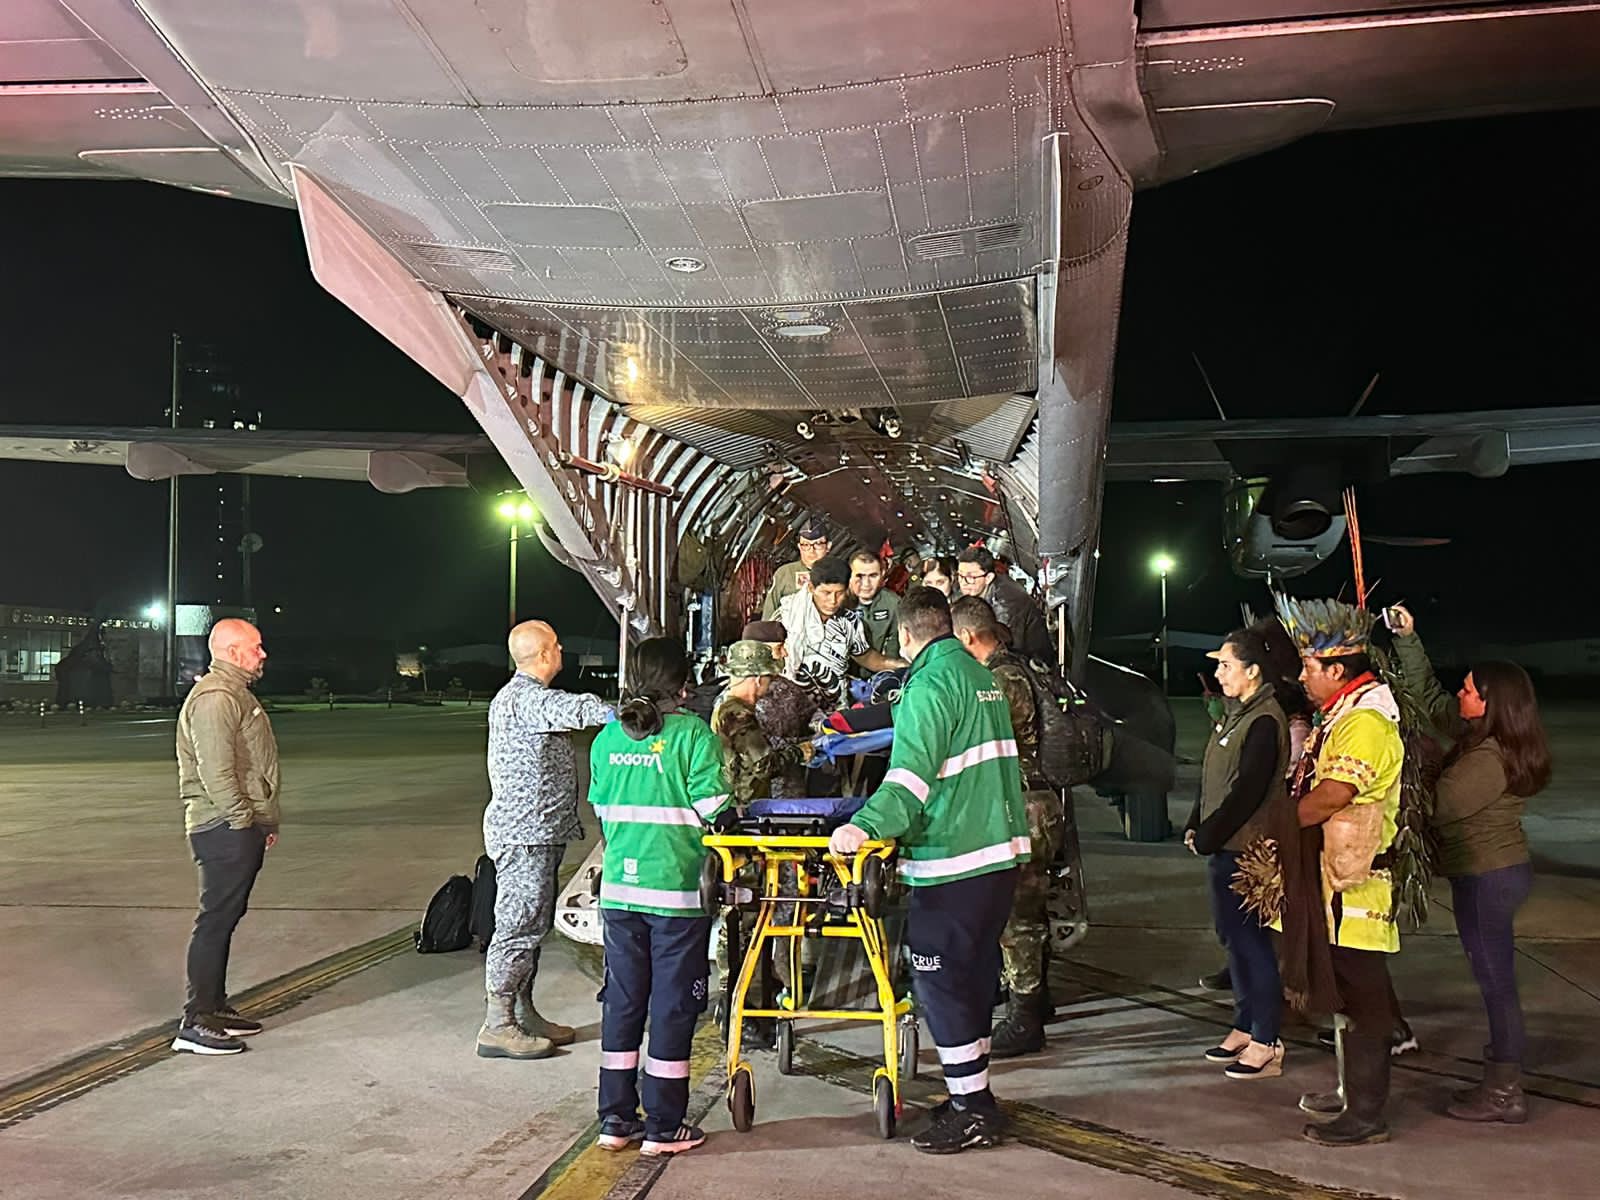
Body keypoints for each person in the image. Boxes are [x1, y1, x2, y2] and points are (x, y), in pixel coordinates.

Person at [830, 588, 1030, 1154]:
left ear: (905, 637)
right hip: (997, 853)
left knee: (939, 980)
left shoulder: (927, 684)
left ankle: (973, 1109)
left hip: (955, 858)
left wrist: (862, 827)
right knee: (969, 980)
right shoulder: (978, 674)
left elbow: (910, 780)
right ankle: (973, 1092)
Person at [1390, 605, 1550, 1123]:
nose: (1459, 694)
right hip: (1489, 873)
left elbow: (1436, 806)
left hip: (1489, 878)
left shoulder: (1488, 758)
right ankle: (1503, 1083)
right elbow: (1432, 699)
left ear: (1490, 703)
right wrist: (1409, 640)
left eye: (1468, 690)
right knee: (1494, 979)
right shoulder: (1478, 736)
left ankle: (1504, 1091)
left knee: (1495, 983)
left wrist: (1410, 760)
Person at [591, 638, 732, 1157]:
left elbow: (604, 818)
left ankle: (615, 1119)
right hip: (675, 896)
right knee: (673, 1006)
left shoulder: (606, 739)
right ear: (682, 683)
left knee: (624, 1002)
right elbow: (717, 811)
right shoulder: (693, 735)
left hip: (620, 895)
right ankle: (665, 1125)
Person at [1274, 594, 1405, 1147]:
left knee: (1364, 998)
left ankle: (1368, 1114)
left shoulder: (1366, 722)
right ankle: (1354, 1094)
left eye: (1309, 666)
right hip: (1336, 881)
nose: (1303, 676)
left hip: (1357, 886)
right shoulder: (1344, 713)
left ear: (1336, 669)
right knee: (1348, 995)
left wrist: (1271, 823)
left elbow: (1331, 796)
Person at [477, 620, 611, 1060]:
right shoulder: (527, 698)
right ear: (543, 655)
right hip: (524, 835)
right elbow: (574, 711)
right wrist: (618, 711)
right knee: (518, 927)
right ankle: (498, 1024)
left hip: (537, 832)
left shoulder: (521, 698)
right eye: (556, 645)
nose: (561, 651)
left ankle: (522, 1011)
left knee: (531, 927)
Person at [950, 596, 1065, 1058]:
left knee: (1017, 914)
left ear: (966, 637)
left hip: (1024, 806)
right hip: (1030, 801)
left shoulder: (1000, 678)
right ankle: (1037, 1000)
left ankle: (1024, 1019)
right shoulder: (1015, 668)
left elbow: (986, 737)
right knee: (1029, 907)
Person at [1184, 628, 1290, 1080]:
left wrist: (1210, 834)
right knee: (1233, 940)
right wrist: (1196, 822)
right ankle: (1244, 1024)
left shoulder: (1264, 720)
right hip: (1224, 846)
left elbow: (1247, 792)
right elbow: (1215, 779)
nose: (1218, 672)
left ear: (1252, 671)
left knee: (1252, 943)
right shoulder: (1235, 714)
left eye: (1226, 665)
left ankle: (1268, 1039)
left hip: (1247, 852)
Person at [171, 618, 278, 1055]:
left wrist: (264, 821)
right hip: (221, 826)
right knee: (214, 921)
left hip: (238, 824)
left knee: (225, 917)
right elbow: (216, 771)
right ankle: (196, 1021)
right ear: (232, 651)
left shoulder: (235, 693)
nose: (262, 653)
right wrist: (241, 820)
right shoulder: (216, 698)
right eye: (255, 646)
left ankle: (214, 1007)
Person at [778, 555, 905, 703]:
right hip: (794, 704)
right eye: (826, 593)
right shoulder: (786, 616)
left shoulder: (849, 622)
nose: (832, 601)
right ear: (811, 588)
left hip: (835, 707)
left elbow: (866, 656)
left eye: (839, 593)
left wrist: (902, 665)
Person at [711, 640, 812, 804]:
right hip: (746, 804)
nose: (770, 684)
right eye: (769, 679)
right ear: (758, 679)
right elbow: (764, 766)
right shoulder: (739, 715)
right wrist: (801, 752)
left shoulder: (724, 706)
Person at [955, 547, 1051, 661]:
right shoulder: (973, 589)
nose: (963, 583)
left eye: (970, 577)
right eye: (960, 576)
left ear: (988, 578)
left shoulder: (1007, 604)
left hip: (1031, 663)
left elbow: (1006, 647)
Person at [761, 517, 831, 619]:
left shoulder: (839, 573)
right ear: (799, 547)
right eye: (805, 545)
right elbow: (770, 611)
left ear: (828, 546)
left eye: (818, 544)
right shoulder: (785, 573)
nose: (811, 550)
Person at [849, 550, 902, 661]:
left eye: (873, 576)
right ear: (849, 575)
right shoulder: (838, 601)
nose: (866, 584)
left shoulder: (893, 603)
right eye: (860, 576)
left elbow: (894, 644)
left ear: (882, 574)